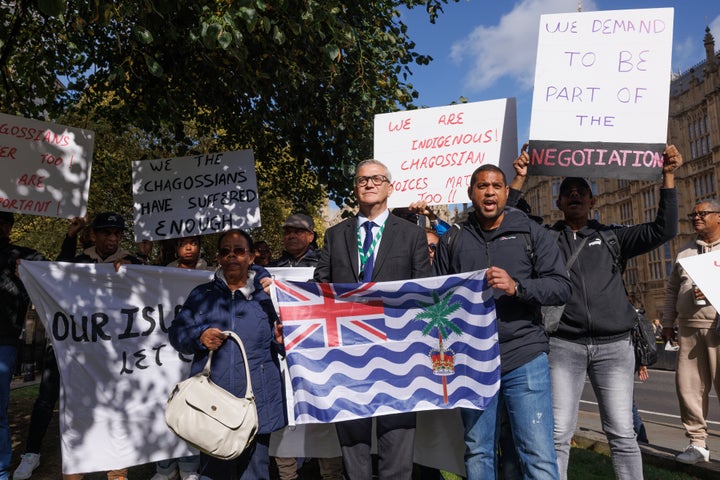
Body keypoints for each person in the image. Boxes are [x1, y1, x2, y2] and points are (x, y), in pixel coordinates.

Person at [510, 144, 682, 480]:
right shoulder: (546, 239)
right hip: (564, 346)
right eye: (567, 192)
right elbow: (512, 218)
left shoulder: (613, 237)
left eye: (581, 192)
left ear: (592, 201)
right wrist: (519, 178)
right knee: (559, 433)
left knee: (622, 433)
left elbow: (665, 230)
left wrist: (668, 175)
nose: (574, 195)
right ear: (558, 203)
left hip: (615, 347)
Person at [433, 164, 571, 479]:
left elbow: (562, 287)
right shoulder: (452, 240)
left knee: (537, 454)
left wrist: (517, 287)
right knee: (478, 450)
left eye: (496, 185)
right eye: (482, 186)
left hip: (524, 355)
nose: (490, 191)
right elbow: (436, 302)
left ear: (507, 193)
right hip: (471, 361)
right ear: (471, 193)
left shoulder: (532, 232)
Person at [314, 158, 433, 479]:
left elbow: (424, 292)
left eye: (377, 179)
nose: (369, 184)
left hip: (398, 358)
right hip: (347, 356)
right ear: (355, 188)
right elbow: (319, 288)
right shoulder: (335, 235)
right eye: (362, 180)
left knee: (396, 448)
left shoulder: (411, 235)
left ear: (390, 188)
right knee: (353, 450)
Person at [169, 229, 286, 479]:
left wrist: (281, 341)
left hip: (258, 403)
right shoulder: (201, 296)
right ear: (219, 258)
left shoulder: (271, 297)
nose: (232, 256)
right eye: (225, 251)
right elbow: (177, 334)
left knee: (255, 473)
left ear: (252, 257)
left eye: (240, 250)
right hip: (212, 405)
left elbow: (288, 343)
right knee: (213, 474)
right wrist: (199, 337)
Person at [662, 199, 720, 464]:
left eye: (702, 214)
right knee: (689, 389)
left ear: (718, 217)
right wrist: (667, 322)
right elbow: (672, 289)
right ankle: (697, 444)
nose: (696, 218)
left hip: (717, 328)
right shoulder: (684, 251)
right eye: (693, 214)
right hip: (688, 328)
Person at [151, 236, 211, 480]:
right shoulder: (160, 275)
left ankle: (189, 466)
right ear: (176, 248)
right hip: (164, 354)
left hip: (196, 351)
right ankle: (164, 467)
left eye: (194, 243)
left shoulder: (212, 274)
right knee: (164, 405)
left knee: (193, 408)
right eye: (184, 243)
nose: (189, 248)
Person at [0, 212, 44, 480]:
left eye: (4, 222)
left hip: (3, 341)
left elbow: (53, 269)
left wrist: (72, 237)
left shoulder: (22, 257)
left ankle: (1, 470)